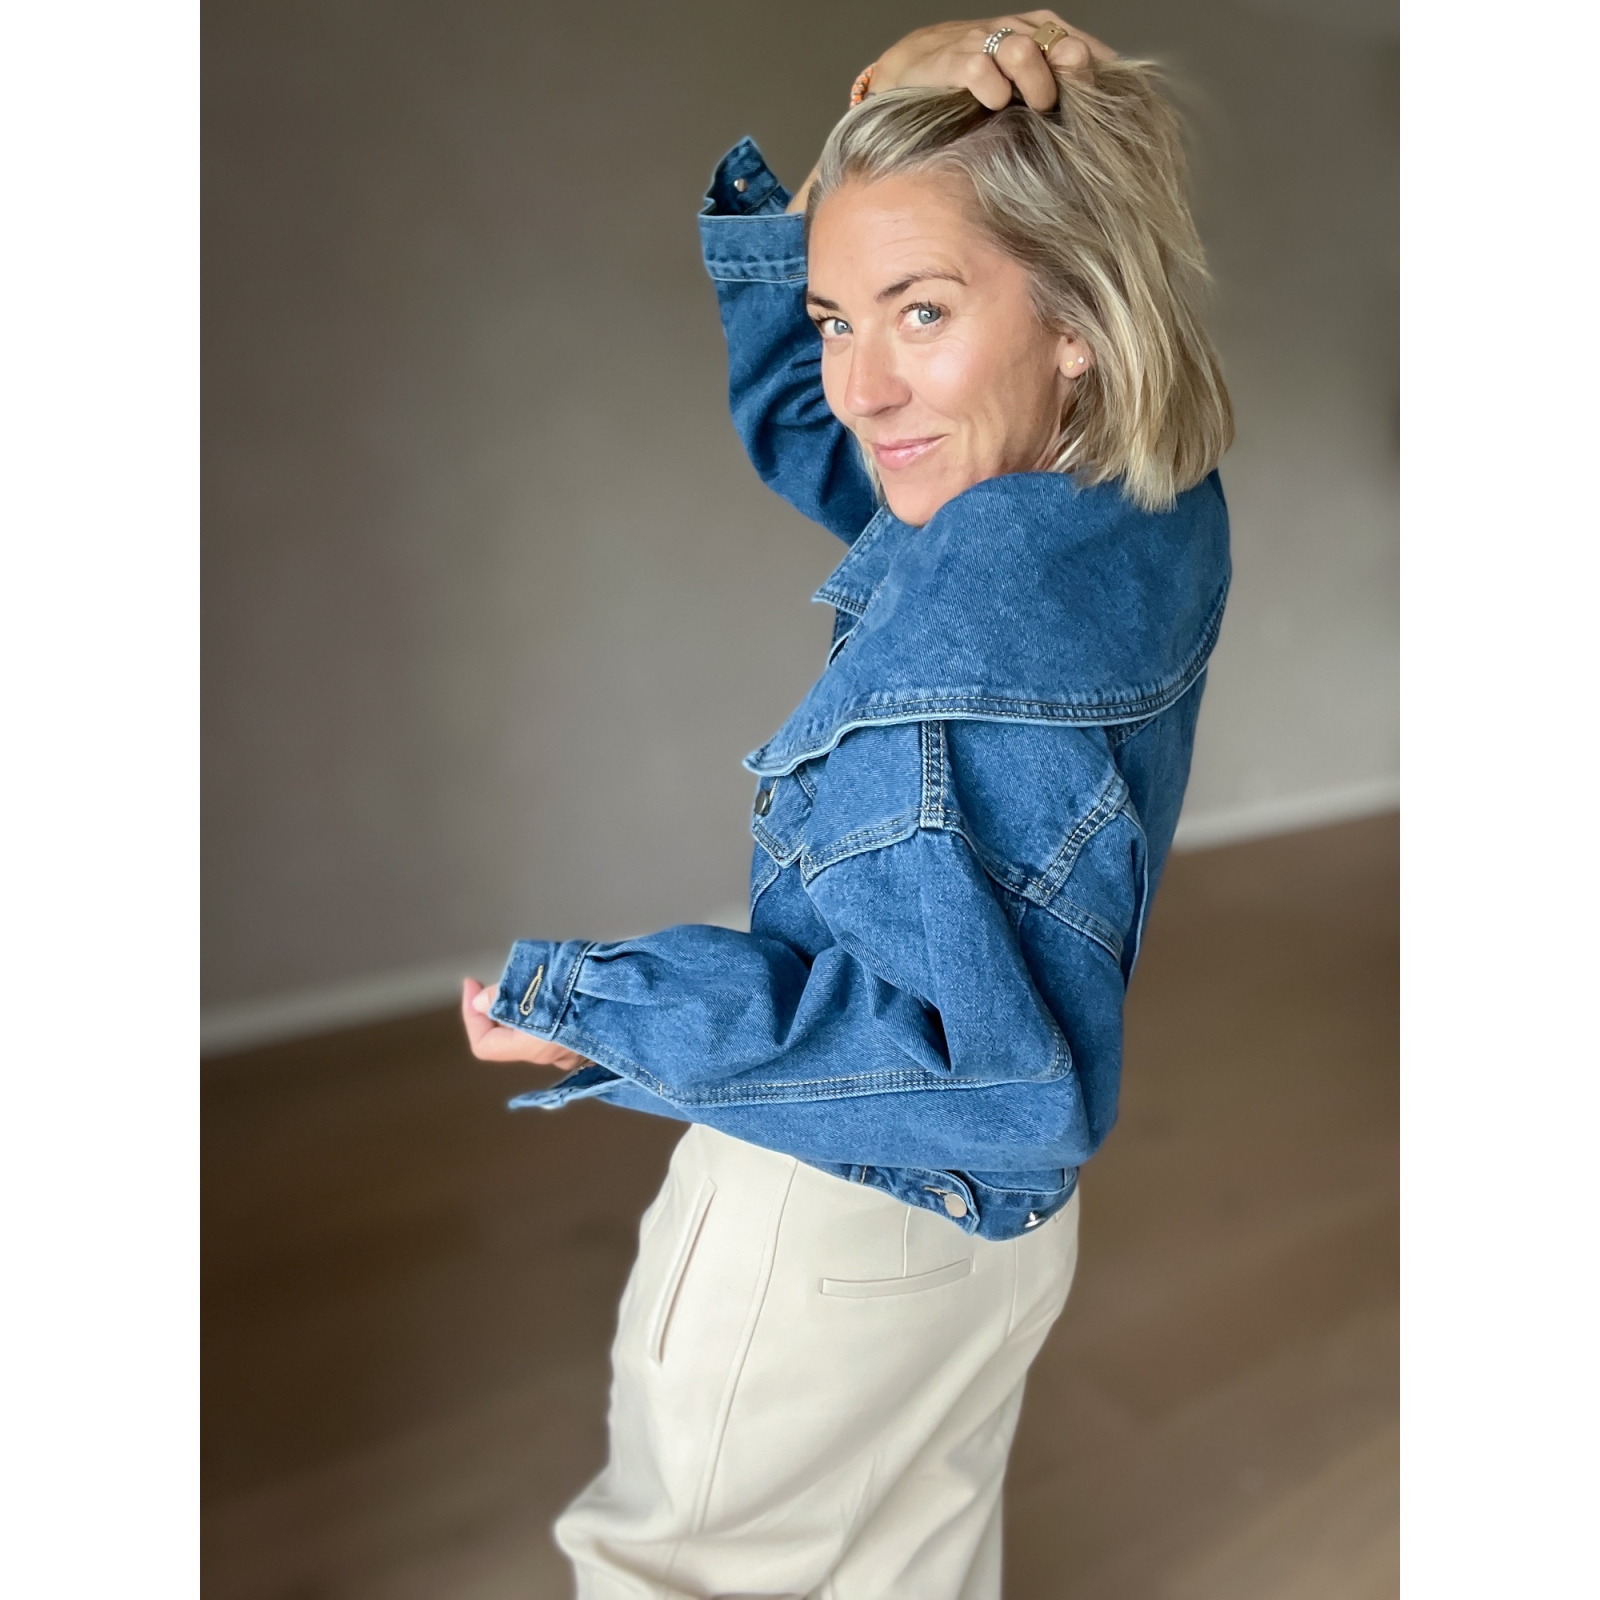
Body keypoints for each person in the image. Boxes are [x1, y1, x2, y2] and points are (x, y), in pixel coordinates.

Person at [460, 13, 1232, 1597]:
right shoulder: (1137, 503)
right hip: (986, 1250)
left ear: (1077, 315)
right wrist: (883, 113)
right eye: (832, 318)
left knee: (672, 1574)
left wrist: (600, 1007)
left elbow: (976, 1074)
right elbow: (838, 437)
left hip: (825, 1223)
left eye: (922, 311)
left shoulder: (964, 641)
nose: (863, 385)